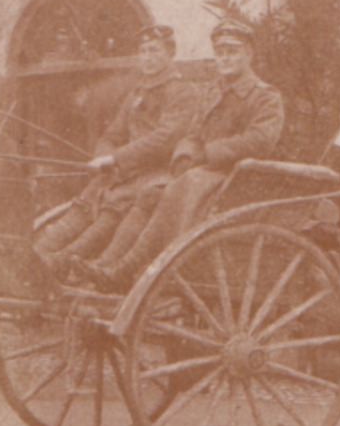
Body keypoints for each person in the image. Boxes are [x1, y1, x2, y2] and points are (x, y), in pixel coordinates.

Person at [81, 16, 285, 291]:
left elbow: (260, 140)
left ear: (248, 54)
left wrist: (207, 153)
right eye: (220, 52)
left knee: (175, 190)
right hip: (202, 171)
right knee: (150, 192)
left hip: (235, 177)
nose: (225, 59)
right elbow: (192, 132)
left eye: (232, 52)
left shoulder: (265, 96)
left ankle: (125, 268)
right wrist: (184, 155)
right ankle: (109, 264)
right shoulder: (212, 92)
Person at [32, 24, 197, 277]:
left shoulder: (183, 92)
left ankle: (67, 260)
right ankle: (38, 252)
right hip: (127, 170)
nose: (147, 57)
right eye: (142, 51)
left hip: (159, 172)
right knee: (86, 201)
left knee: (114, 207)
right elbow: (113, 134)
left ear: (170, 53)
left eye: (154, 50)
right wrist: (103, 157)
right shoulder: (137, 93)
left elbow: (164, 138)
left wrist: (117, 158)